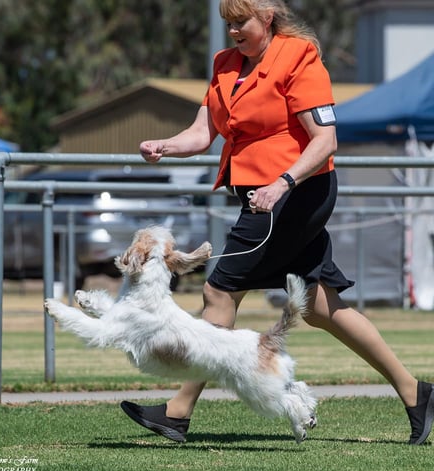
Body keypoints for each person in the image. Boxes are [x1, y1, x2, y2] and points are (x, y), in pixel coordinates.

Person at [120, 0, 434, 445]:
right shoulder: (224, 65)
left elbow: (325, 141)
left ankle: (177, 411)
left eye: (240, 23)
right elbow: (203, 133)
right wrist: (165, 146)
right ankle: (415, 392)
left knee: (218, 291)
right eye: (226, 24)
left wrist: (282, 183)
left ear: (267, 18)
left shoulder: (299, 57)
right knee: (321, 307)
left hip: (293, 194)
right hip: (263, 196)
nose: (232, 32)